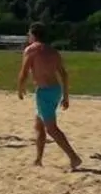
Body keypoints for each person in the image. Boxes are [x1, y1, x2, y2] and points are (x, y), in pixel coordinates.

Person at [16, 22, 81, 170]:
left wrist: (20, 88)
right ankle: (38, 160)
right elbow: (64, 74)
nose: (28, 36)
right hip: (55, 90)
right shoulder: (53, 51)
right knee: (39, 125)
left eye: (29, 34)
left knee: (51, 129)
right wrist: (65, 96)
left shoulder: (31, 50)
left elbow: (24, 72)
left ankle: (74, 157)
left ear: (33, 35)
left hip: (44, 92)